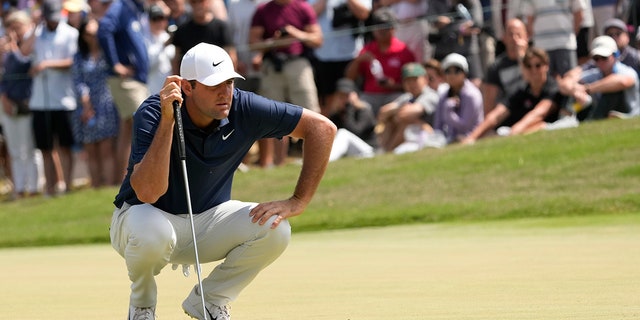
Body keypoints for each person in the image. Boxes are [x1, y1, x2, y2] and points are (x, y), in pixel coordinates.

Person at [110, 43, 336, 320]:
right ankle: (142, 305)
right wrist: (168, 122)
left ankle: (209, 301)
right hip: (141, 221)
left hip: (206, 221)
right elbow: (148, 192)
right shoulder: (154, 112)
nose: (225, 92)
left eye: (229, 82)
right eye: (215, 84)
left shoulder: (244, 107)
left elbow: (322, 129)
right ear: (187, 87)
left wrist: (298, 200)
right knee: (153, 233)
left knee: (275, 228)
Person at [249, 0, 324, 167]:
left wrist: (296, 34)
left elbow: (318, 39)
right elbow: (253, 43)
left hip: (299, 64)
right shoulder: (263, 10)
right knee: (272, 116)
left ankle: (315, 161)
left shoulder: (303, 7)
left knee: (311, 111)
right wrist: (273, 42)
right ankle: (278, 163)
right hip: (273, 65)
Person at [21, 0, 79, 196]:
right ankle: (50, 187)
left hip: (63, 98)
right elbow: (24, 51)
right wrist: (36, 26)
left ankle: (68, 184)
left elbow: (72, 60)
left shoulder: (70, 33)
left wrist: (47, 64)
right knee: (45, 147)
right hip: (40, 100)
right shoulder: (37, 33)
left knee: (64, 146)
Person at [462, 47, 566, 144]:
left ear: (546, 66)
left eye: (538, 65)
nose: (534, 70)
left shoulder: (553, 87)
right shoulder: (521, 91)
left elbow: (538, 113)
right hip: (517, 131)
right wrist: (471, 138)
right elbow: (496, 116)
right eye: (529, 66)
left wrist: (515, 131)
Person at [97, 0, 150, 183]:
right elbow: (104, 29)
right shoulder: (120, 5)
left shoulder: (132, 8)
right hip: (126, 80)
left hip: (134, 80)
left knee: (129, 129)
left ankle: (123, 179)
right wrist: (115, 64)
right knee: (140, 124)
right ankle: (131, 178)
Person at [71, 17, 120, 187]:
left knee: (107, 148)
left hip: (106, 103)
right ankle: (96, 185)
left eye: (95, 33)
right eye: (89, 34)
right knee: (91, 149)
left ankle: (109, 185)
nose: (93, 37)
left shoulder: (108, 53)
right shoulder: (79, 57)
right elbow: (78, 82)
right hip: (86, 106)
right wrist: (86, 105)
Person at [344, 7, 415, 115]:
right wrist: (358, 61)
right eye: (378, 27)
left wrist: (393, 85)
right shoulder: (367, 50)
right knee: (357, 107)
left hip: (395, 95)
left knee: (402, 104)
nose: (381, 31)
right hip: (370, 95)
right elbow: (349, 78)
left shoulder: (404, 51)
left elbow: (414, 84)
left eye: (385, 27)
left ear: (393, 28)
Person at [0, 10, 40, 199]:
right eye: (10, 28)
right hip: (7, 103)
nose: (12, 32)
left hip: (25, 103)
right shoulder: (6, 51)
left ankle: (33, 186)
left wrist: (12, 47)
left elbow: (19, 62)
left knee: (29, 148)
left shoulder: (26, 47)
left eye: (17, 27)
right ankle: (19, 188)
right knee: (15, 149)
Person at [308, 0, 371, 116]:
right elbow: (308, 15)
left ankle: (353, 130)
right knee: (328, 99)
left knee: (352, 97)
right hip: (323, 55)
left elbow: (364, 14)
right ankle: (330, 130)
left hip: (351, 55)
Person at [557, 35, 639, 120]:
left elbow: (622, 82)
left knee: (611, 92)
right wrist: (576, 91)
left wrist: (587, 89)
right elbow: (564, 85)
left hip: (631, 116)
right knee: (571, 97)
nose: (600, 61)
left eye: (604, 57)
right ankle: (566, 120)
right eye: (596, 58)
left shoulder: (627, 71)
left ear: (615, 55)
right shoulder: (595, 74)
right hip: (604, 116)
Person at [376, 62, 439, 153]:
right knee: (390, 120)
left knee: (405, 121)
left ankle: (388, 151)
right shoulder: (408, 97)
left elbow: (409, 114)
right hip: (411, 136)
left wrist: (397, 113)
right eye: (408, 80)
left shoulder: (430, 95)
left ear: (425, 79)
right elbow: (383, 112)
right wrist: (397, 113)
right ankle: (383, 150)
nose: (411, 84)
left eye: (414, 79)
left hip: (430, 136)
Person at [521, 0, 586, 77]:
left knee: (569, 81)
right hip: (541, 47)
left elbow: (579, 13)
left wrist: (569, 35)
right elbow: (529, 18)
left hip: (565, 45)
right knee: (544, 85)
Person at [170, 0, 236, 75]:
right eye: (194, 2)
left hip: (218, 78)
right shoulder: (182, 30)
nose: (198, 5)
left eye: (201, 1)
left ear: (209, 2)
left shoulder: (221, 27)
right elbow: (177, 58)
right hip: (191, 81)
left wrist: (229, 80)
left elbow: (231, 56)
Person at [428, 0, 485, 86]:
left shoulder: (471, 2)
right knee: (440, 83)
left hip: (467, 50)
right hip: (443, 50)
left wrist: (451, 26)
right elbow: (430, 21)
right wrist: (438, 22)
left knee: (475, 82)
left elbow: (477, 23)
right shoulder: (434, 2)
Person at [480, 18, 529, 116]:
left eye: (519, 35)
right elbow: (489, 101)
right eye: (511, 35)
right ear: (504, 38)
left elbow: (534, 83)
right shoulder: (496, 66)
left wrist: (522, 59)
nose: (515, 39)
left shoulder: (537, 60)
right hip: (508, 112)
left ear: (526, 37)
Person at [433, 53, 483, 144]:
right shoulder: (443, 95)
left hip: (471, 139)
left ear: (465, 73)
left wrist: (449, 111)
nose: (452, 75)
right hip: (448, 139)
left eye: (457, 71)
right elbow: (438, 125)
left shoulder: (472, 95)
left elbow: (464, 127)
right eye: (448, 71)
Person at [327, 78, 377, 161]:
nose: (344, 99)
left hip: (369, 151)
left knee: (343, 133)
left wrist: (349, 108)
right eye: (341, 96)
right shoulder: (337, 115)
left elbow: (355, 132)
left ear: (354, 95)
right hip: (351, 154)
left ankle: (326, 160)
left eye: (346, 95)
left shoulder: (364, 111)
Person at [145, 4, 175, 94]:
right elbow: (148, 64)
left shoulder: (167, 36)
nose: (159, 22)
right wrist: (163, 46)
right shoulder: (144, 40)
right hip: (153, 90)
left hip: (170, 88)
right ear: (149, 22)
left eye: (161, 18)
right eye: (155, 19)